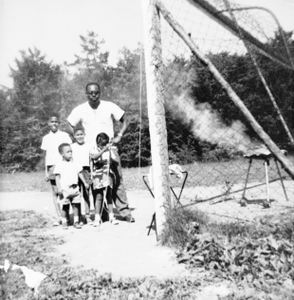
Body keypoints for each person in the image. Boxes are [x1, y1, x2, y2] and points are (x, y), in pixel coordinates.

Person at [67, 82, 135, 222]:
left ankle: (124, 211)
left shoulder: (109, 106)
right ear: (86, 93)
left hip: (110, 150)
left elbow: (126, 119)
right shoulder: (80, 109)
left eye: (96, 92)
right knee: (95, 183)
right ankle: (102, 213)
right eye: (90, 93)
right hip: (91, 152)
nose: (93, 95)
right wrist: (78, 139)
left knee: (116, 180)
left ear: (100, 93)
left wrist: (120, 135)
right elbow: (70, 124)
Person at [41, 113, 72, 226]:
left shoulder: (64, 135)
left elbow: (70, 151)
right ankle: (60, 217)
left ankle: (67, 216)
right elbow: (46, 155)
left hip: (63, 165)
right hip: (51, 167)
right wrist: (46, 172)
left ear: (59, 123)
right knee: (55, 192)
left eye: (56, 122)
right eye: (52, 122)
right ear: (48, 123)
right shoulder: (46, 138)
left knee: (65, 191)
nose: (54, 124)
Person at [54, 143, 89, 230]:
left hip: (75, 187)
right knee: (65, 206)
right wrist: (59, 188)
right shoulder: (59, 164)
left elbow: (80, 173)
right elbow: (57, 177)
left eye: (71, 151)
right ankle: (64, 222)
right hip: (64, 188)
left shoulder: (75, 163)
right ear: (62, 154)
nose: (70, 153)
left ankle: (76, 222)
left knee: (76, 205)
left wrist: (85, 183)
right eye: (67, 152)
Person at [90, 132, 119, 226]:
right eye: (101, 144)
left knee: (109, 196)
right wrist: (103, 150)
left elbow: (116, 161)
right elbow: (94, 157)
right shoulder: (94, 150)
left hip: (108, 175)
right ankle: (97, 218)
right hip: (97, 176)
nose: (103, 145)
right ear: (97, 143)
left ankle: (111, 217)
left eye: (105, 144)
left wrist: (112, 153)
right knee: (99, 196)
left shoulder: (109, 150)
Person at [71, 126, 92, 225]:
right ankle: (78, 217)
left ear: (84, 135)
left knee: (87, 194)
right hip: (75, 171)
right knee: (77, 194)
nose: (80, 137)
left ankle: (87, 216)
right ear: (74, 136)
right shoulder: (72, 146)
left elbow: (91, 160)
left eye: (81, 134)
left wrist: (91, 172)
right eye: (77, 135)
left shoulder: (88, 145)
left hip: (86, 170)